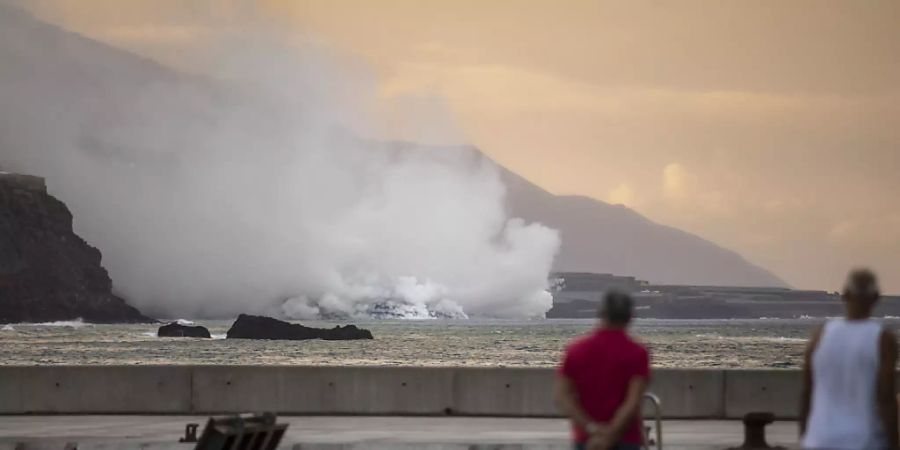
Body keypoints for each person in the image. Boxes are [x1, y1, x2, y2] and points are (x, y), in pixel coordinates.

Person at [800, 268, 899, 449]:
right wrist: (894, 443)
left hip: (820, 439)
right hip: (863, 440)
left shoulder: (819, 336)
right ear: (876, 297)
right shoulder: (883, 339)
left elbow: (807, 392)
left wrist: (805, 436)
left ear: (844, 294)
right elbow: (886, 397)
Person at [555, 290, 650, 450]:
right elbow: (632, 402)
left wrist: (592, 430)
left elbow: (563, 397)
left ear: (601, 313)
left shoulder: (576, 350)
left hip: (586, 439)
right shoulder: (637, 352)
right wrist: (610, 434)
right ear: (630, 317)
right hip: (625, 438)